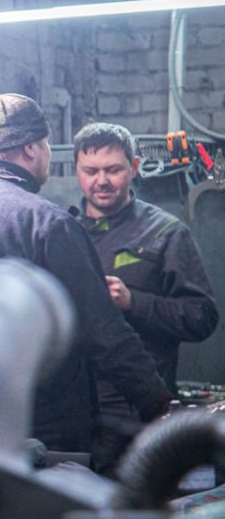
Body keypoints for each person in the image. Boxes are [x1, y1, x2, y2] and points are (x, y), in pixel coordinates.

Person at [0, 93, 170, 455]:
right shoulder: (49, 226)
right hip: (40, 435)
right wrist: (159, 404)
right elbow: (103, 333)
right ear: (30, 149)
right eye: (45, 145)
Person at [72, 122, 218, 413]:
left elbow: (202, 316)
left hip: (139, 408)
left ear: (134, 167)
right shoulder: (62, 232)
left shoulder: (165, 232)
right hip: (76, 408)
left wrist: (133, 302)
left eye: (113, 170)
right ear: (77, 171)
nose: (101, 180)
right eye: (91, 171)